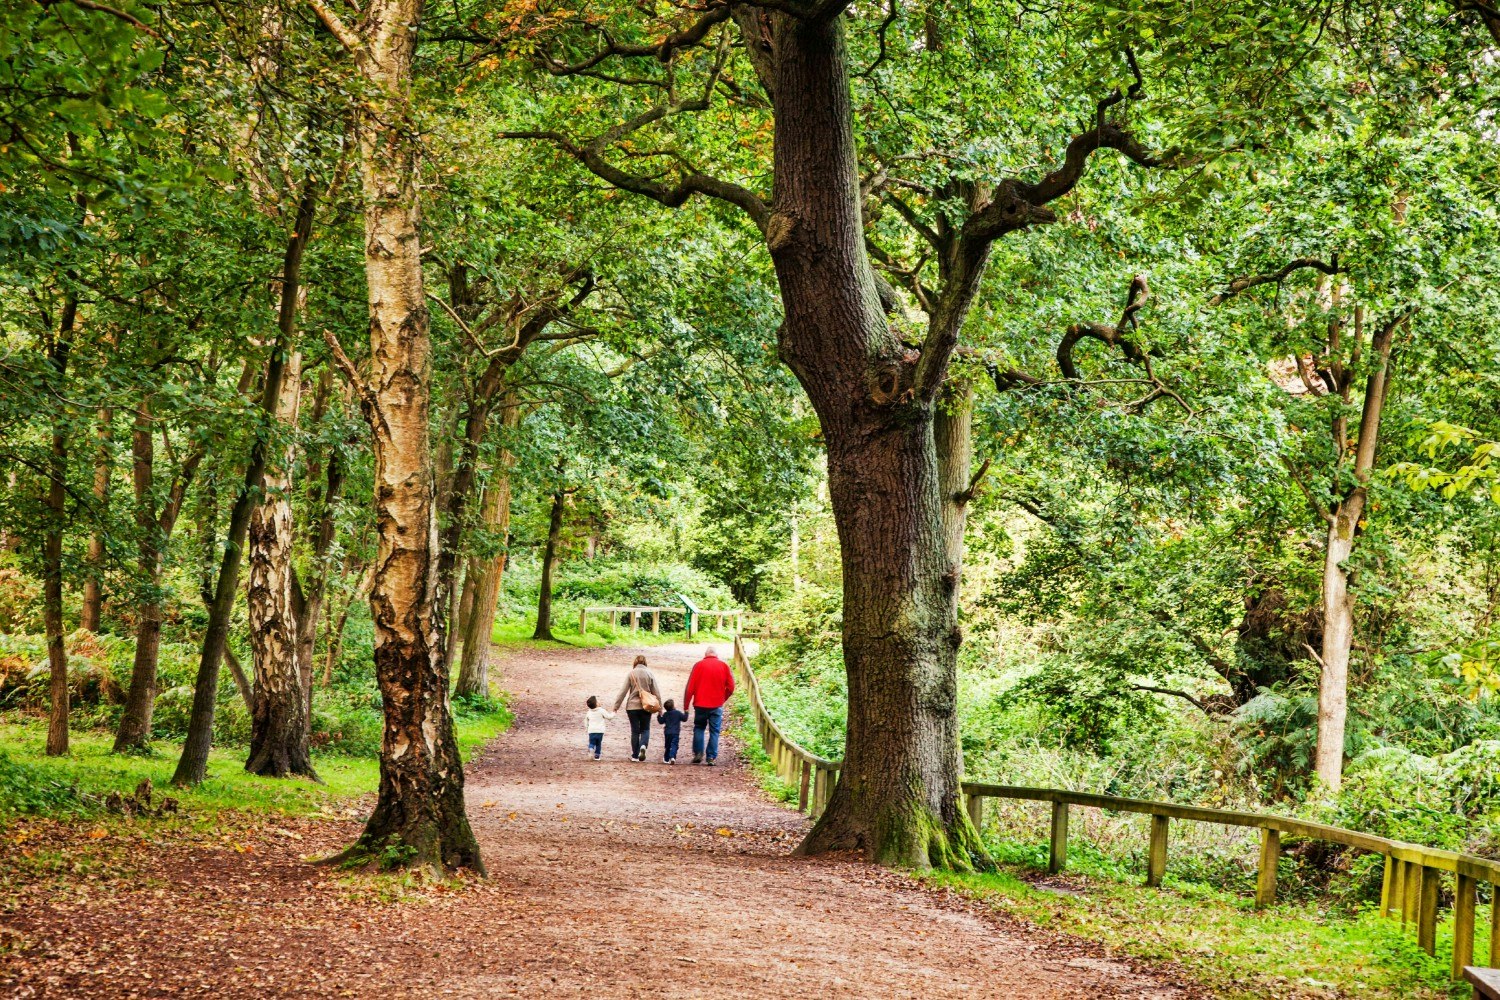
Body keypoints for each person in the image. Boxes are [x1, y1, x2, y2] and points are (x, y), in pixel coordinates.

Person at [683, 646, 735, 765]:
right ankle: (711, 757)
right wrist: (723, 698)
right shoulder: (724, 666)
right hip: (716, 705)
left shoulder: (698, 665)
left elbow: (690, 688)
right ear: (716, 654)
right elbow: (731, 687)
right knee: (714, 731)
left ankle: (698, 753)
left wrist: (686, 706)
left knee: (699, 728)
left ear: (705, 654)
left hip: (700, 704)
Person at [612, 654, 663, 762]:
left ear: (635, 662)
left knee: (635, 731)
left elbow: (623, 691)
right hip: (647, 705)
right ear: (645, 663)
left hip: (632, 707)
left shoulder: (631, 673)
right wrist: (660, 708)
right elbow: (656, 692)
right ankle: (643, 745)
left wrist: (616, 706)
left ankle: (635, 755)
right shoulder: (649, 673)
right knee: (645, 729)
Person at [657, 699, 688, 764]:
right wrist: (686, 712)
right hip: (675, 733)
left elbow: (661, 721)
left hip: (667, 733)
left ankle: (666, 759)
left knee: (667, 746)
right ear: (673, 706)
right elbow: (685, 719)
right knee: (674, 745)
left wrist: (659, 715)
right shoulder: (678, 713)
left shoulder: (665, 714)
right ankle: (672, 756)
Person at [583, 695, 614, 760]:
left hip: (591, 731)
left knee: (592, 742)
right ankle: (597, 756)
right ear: (596, 703)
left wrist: (587, 728)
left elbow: (586, 720)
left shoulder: (589, 712)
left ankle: (591, 748)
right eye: (598, 700)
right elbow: (609, 717)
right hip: (600, 731)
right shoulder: (601, 710)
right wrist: (614, 713)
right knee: (598, 743)